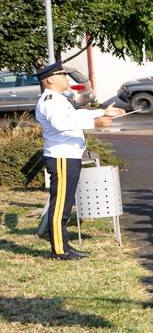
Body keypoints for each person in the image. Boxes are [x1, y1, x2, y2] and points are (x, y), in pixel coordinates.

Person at [34, 62, 122, 259]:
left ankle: (63, 246)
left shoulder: (58, 98)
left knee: (64, 205)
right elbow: (61, 123)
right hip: (62, 157)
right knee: (60, 207)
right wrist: (94, 123)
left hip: (68, 156)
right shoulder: (50, 100)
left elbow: (74, 115)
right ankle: (59, 250)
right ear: (50, 79)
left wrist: (102, 112)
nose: (67, 78)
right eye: (62, 75)